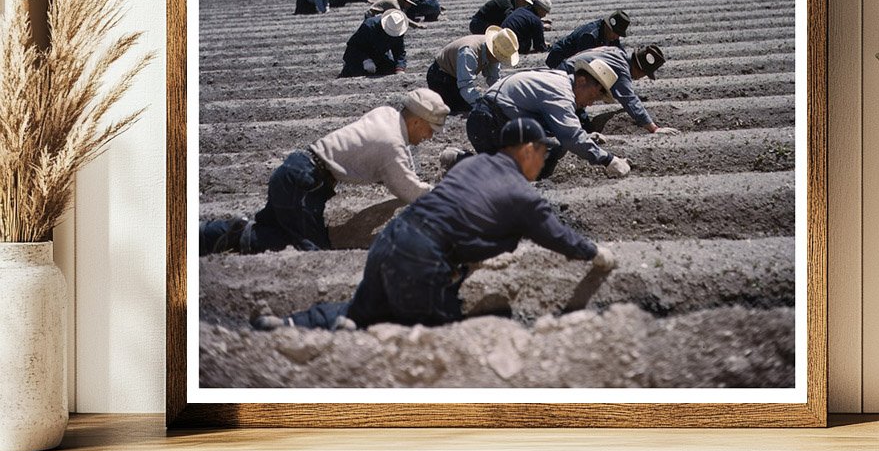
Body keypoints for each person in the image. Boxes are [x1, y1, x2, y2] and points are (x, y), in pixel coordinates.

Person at [251, 118, 616, 331]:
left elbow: (462, 210)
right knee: (439, 333)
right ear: (527, 151)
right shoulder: (524, 195)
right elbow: (557, 236)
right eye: (543, 151)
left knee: (360, 312)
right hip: (422, 259)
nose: (545, 159)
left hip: (392, 240)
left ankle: (289, 327)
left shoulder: (472, 165)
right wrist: (596, 252)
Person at [199, 88, 449, 255]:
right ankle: (223, 234)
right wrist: (445, 197)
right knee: (311, 251)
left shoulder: (386, 114)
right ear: (416, 121)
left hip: (297, 172)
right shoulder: (391, 145)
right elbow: (408, 189)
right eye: (430, 130)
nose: (429, 137)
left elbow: (400, 156)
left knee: (278, 234)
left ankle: (208, 235)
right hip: (305, 184)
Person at [466, 59, 631, 180]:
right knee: (507, 180)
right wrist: (608, 160)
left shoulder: (560, 79)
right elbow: (570, 137)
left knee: (549, 148)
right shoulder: (561, 93)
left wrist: (585, 138)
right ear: (581, 81)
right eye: (592, 97)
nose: (589, 104)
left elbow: (558, 128)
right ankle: (460, 162)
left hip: (492, 119)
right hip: (488, 123)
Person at [556, 44, 678, 135]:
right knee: (579, 125)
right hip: (569, 79)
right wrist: (654, 128)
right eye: (644, 74)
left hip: (568, 73)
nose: (642, 78)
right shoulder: (621, 69)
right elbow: (629, 100)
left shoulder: (618, 53)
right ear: (639, 69)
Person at [426, 26, 520, 113]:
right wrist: (482, 104)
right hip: (440, 77)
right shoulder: (469, 52)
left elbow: (494, 78)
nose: (500, 61)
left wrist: (503, 97)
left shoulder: (495, 47)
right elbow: (465, 85)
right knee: (461, 108)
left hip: (456, 76)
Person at [545, 10, 630, 68]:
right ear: (608, 26)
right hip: (560, 60)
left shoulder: (611, 35)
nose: (617, 37)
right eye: (616, 33)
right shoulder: (590, 36)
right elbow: (584, 63)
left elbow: (620, 53)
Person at [339, 9, 409, 78]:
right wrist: (365, 59)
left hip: (378, 55)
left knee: (390, 69)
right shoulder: (369, 26)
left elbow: (399, 51)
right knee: (358, 73)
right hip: (359, 55)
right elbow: (353, 46)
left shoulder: (398, 31)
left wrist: (400, 68)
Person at [469, 0, 534, 35]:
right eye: (525, 3)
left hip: (481, 23)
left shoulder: (510, 2)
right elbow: (510, 22)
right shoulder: (508, 5)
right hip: (479, 24)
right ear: (520, 0)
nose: (525, 6)